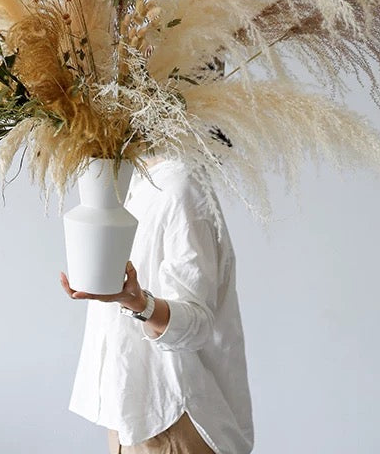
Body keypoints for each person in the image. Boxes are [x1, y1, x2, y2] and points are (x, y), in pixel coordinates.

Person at [60, 156, 254, 454]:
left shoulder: (182, 187)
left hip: (173, 418)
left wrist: (137, 302)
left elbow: (198, 323)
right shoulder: (130, 179)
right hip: (130, 415)